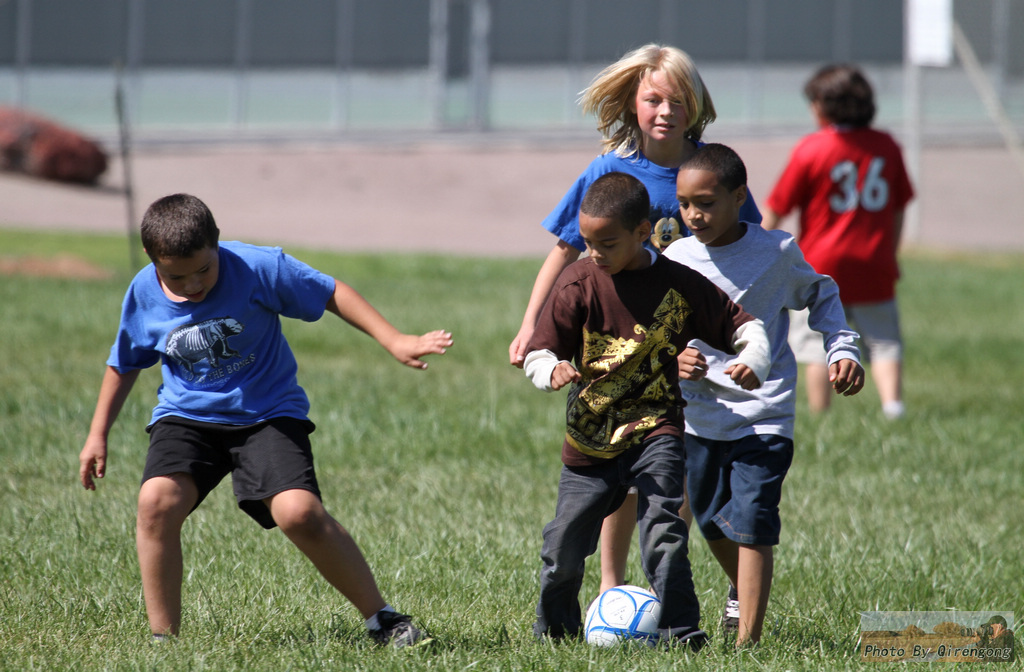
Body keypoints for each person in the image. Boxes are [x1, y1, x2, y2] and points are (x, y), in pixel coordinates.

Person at [78, 193, 452, 647]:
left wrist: (394, 339)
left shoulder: (258, 267)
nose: (194, 285)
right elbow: (125, 362)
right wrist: (98, 434)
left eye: (204, 270)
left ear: (217, 244)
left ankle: (384, 619)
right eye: (177, 276)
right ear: (152, 258)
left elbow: (332, 291)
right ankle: (163, 641)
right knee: (155, 503)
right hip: (187, 417)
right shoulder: (142, 291)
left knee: (299, 513)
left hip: (267, 414)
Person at [506, 41, 762, 595]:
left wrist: (751, 335)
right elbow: (564, 250)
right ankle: (612, 588)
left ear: (696, 104)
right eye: (653, 99)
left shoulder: (710, 170)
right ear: (633, 102)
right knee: (620, 462)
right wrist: (532, 326)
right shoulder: (609, 172)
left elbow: (751, 249)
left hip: (698, 344)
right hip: (628, 346)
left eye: (678, 100)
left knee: (690, 470)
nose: (665, 111)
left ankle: (723, 589)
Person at [523, 171, 772, 648]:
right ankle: (555, 631)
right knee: (562, 547)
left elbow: (744, 326)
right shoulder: (578, 283)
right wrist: (548, 369)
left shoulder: (679, 285)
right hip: (590, 437)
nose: (595, 253)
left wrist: (752, 358)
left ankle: (681, 631)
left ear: (643, 232)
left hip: (656, 431)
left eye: (608, 243)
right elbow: (541, 349)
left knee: (664, 532)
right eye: (588, 242)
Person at [655, 143, 862, 646]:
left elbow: (822, 294)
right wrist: (675, 357)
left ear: (738, 196)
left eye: (705, 202)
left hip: (763, 415)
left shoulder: (776, 252)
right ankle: (741, 584)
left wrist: (842, 347)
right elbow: (658, 330)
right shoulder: (677, 257)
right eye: (684, 204)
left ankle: (748, 642)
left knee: (752, 520)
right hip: (700, 416)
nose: (693, 215)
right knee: (710, 520)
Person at [762, 64, 914, 419]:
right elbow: (898, 206)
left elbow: (777, 207)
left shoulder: (812, 149)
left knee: (816, 341)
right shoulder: (886, 146)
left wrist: (757, 247)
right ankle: (893, 407)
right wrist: (890, 253)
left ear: (826, 105)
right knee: (883, 339)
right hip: (874, 261)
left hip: (821, 263)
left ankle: (821, 413)